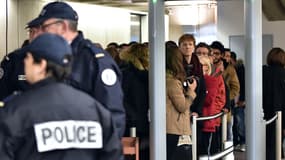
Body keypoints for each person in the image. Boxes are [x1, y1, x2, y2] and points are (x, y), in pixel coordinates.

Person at [0, 33, 122, 160]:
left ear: (41, 65)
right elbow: (113, 154)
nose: (24, 62)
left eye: (28, 58)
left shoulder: (15, 111)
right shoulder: (96, 111)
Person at [27, 1, 125, 137]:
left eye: (44, 27)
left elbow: (112, 113)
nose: (41, 32)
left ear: (62, 27)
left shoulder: (94, 60)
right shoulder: (48, 56)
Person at [166, 44, 197, 160]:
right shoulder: (172, 82)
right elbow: (182, 106)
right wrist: (191, 91)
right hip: (175, 129)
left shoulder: (162, 78)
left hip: (169, 127)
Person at [120, 43, 150, 160]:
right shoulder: (151, 76)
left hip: (129, 122)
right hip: (147, 123)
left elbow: (121, 98)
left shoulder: (124, 74)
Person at [0, 23, 43, 101]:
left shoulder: (56, 58)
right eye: (31, 31)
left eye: (38, 31)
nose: (34, 36)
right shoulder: (13, 59)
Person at [263, 47, 285, 160]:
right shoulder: (283, 73)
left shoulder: (263, 72)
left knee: (265, 145)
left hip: (263, 114)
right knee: (276, 144)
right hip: (280, 114)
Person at [230, 52, 246, 152]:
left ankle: (243, 142)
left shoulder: (240, 69)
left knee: (239, 122)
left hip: (239, 101)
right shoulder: (231, 69)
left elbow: (243, 85)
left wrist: (242, 100)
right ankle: (235, 142)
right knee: (234, 123)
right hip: (232, 101)